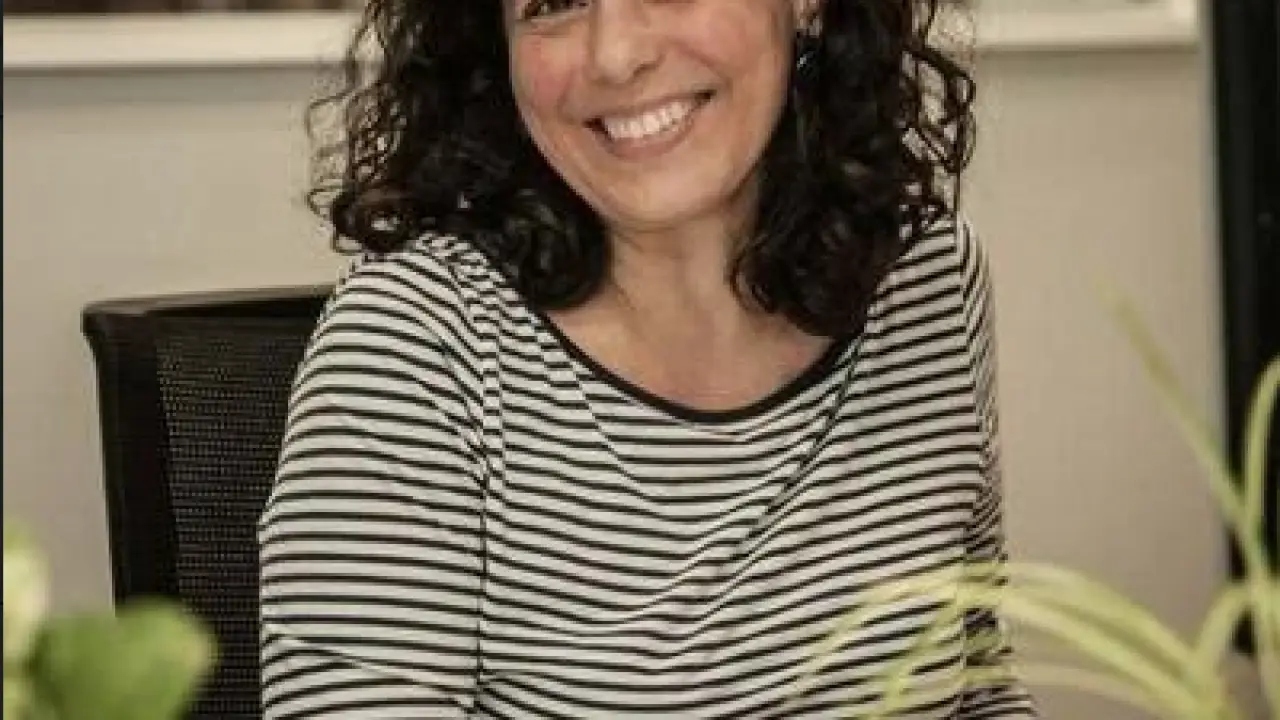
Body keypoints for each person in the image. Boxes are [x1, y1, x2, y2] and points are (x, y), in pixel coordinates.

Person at [258, 0, 1039, 716]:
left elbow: (978, 685)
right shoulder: (414, 344)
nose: (615, 55)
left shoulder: (928, 283)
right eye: (552, 3)